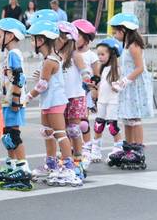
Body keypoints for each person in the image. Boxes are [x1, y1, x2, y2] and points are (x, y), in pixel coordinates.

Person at [23, 19, 80, 187]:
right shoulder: (49, 58)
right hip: (48, 101)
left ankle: (69, 167)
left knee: (59, 133)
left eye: (33, 39)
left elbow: (43, 84)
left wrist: (27, 97)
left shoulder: (50, 61)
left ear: (41, 40)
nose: (32, 42)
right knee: (47, 132)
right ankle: (51, 164)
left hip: (55, 102)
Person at [107, 13, 154, 169]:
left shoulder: (134, 46)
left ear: (124, 30)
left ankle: (138, 149)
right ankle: (129, 148)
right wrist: (120, 80)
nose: (114, 35)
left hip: (135, 86)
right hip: (128, 85)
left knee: (135, 117)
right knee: (127, 116)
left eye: (115, 32)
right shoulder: (126, 45)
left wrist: (125, 81)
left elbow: (140, 68)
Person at [0, 17, 32, 191]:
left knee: (13, 135)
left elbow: (19, 78)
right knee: (7, 134)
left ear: (11, 36)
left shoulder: (14, 54)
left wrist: (15, 99)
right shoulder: (8, 54)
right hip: (8, 100)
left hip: (13, 101)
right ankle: (12, 164)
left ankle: (23, 168)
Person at [58, 21, 89, 179]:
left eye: (59, 36)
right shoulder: (57, 56)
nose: (56, 39)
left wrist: (87, 77)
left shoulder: (75, 55)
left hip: (76, 97)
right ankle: (66, 159)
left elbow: (84, 70)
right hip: (61, 98)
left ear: (66, 39)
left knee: (74, 130)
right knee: (62, 131)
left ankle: (78, 160)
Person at [90, 37, 124, 163]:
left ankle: (118, 148)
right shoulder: (101, 68)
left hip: (113, 102)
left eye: (103, 54)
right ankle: (95, 149)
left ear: (112, 54)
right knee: (98, 125)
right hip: (101, 101)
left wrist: (118, 86)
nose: (100, 57)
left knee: (112, 126)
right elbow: (98, 83)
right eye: (98, 54)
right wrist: (94, 88)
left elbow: (120, 86)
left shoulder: (117, 69)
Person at [73, 19, 101, 164]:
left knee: (83, 122)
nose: (74, 39)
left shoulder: (91, 56)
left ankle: (87, 147)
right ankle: (73, 146)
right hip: (71, 91)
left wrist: (95, 91)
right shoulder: (70, 54)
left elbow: (96, 77)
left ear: (86, 38)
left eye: (77, 36)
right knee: (71, 123)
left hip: (84, 93)